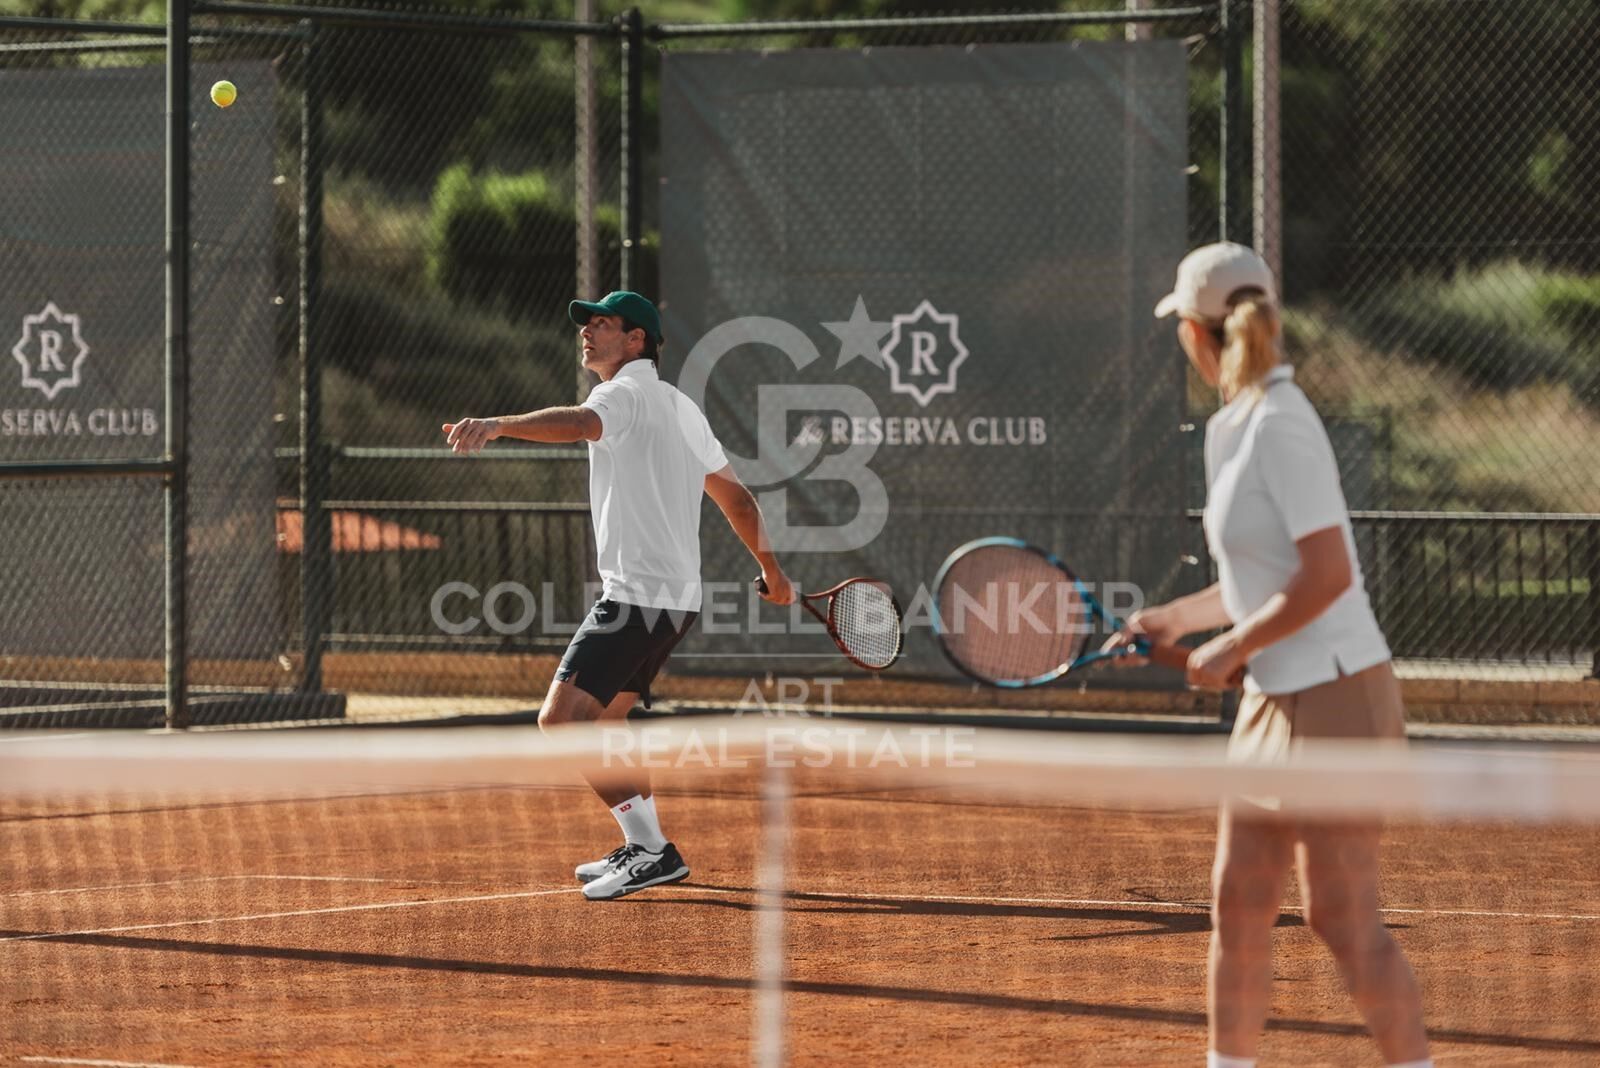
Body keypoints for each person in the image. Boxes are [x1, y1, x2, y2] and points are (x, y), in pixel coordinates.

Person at [1107, 244, 1431, 1068]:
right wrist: (1170, 620)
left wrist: (1231, 648)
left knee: (1341, 917)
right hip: (1272, 697)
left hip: (1339, 693)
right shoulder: (1234, 426)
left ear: (1194, 333)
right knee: (1239, 907)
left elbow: (1327, 575)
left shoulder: (1282, 425)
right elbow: (1255, 581)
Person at [444, 290, 795, 901]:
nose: (587, 332)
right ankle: (648, 847)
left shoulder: (623, 394)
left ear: (636, 341)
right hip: (677, 601)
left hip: (635, 597)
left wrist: (498, 425)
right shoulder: (684, 409)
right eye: (586, 324)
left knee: (561, 721)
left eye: (602, 324)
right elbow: (737, 499)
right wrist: (774, 571)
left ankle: (652, 850)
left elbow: (582, 423)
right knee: (606, 721)